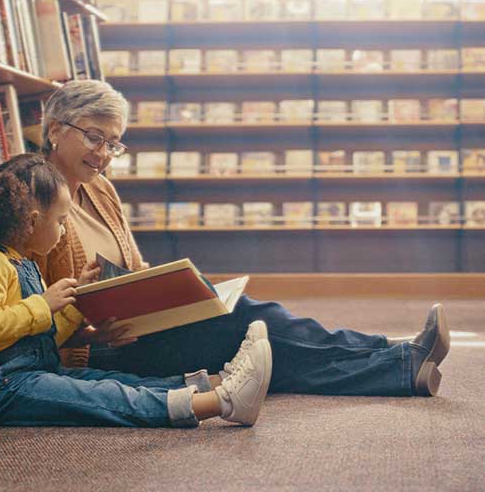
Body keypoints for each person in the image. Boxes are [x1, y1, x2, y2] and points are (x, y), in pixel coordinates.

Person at [31, 80, 451, 398]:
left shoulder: (100, 189)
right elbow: (34, 319)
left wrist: (169, 295)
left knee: (261, 349)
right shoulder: (31, 196)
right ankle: (390, 354)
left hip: (143, 329)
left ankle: (400, 367)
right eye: (93, 137)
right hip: (100, 352)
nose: (103, 153)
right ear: (54, 130)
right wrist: (91, 334)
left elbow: (133, 271)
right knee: (251, 321)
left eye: (113, 143)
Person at [0, 152, 273, 429]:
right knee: (105, 396)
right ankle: (222, 403)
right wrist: (43, 304)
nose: (64, 229)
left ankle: (213, 383)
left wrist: (74, 305)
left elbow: (40, 338)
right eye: (61, 220)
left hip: (35, 372)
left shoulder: (24, 264)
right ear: (31, 222)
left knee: (113, 381)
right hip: (2, 388)